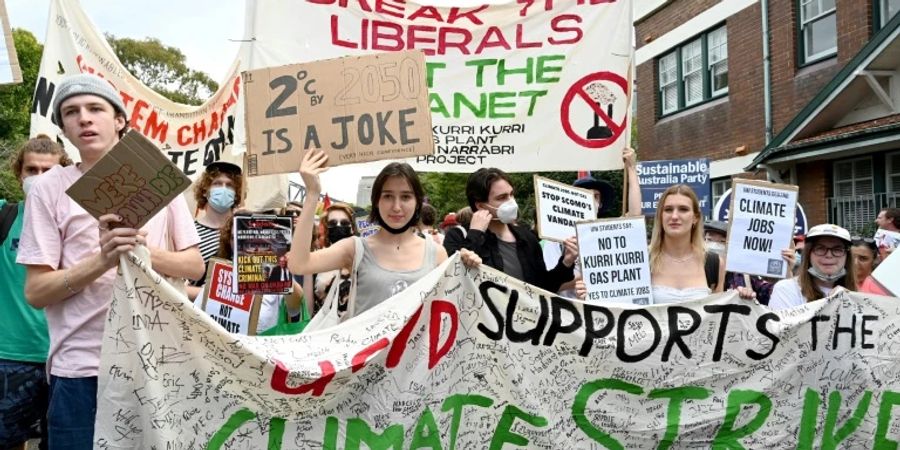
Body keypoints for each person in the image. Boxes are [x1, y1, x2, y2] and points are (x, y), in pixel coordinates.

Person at [16, 74, 204, 448]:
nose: (84, 118)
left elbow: (195, 266)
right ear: (65, 129)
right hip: (81, 370)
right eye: (71, 112)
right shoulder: (48, 188)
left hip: (158, 361)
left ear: (119, 119)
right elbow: (37, 292)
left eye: (95, 108)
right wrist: (103, 260)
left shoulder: (158, 179)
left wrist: (141, 252)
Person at [289, 150, 465, 317]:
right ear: (376, 201)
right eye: (388, 196)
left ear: (417, 202)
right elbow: (299, 264)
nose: (396, 207)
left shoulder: (436, 253)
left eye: (405, 197)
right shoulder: (356, 248)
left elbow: (451, 306)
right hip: (368, 348)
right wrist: (312, 193)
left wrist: (470, 266)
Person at [0, 136, 71, 450]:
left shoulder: (81, 224)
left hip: (68, 359)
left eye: (49, 171)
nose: (39, 179)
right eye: (32, 170)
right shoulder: (5, 216)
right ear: (19, 175)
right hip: (11, 357)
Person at [543, 147, 642, 297]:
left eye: (595, 196)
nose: (590, 200)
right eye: (584, 195)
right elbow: (549, 285)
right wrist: (591, 276)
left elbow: (634, 215)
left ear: (600, 203)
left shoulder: (605, 231)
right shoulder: (556, 238)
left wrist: (632, 169)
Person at [459, 167, 576, 293]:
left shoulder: (527, 238)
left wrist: (566, 262)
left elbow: (544, 288)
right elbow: (462, 280)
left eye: (511, 194)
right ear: (481, 206)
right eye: (502, 197)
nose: (511, 201)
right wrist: (476, 234)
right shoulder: (465, 237)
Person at [186, 161, 244, 301]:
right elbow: (178, 286)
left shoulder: (243, 230)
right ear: (205, 191)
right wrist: (217, 295)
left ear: (236, 194)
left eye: (229, 185)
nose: (223, 189)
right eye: (217, 183)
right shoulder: (189, 232)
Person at [703, 220, 794, 305]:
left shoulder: (744, 278)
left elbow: (775, 293)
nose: (715, 245)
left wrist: (787, 270)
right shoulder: (694, 272)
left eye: (722, 242)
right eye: (709, 240)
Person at [768, 224, 858, 310]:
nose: (829, 255)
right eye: (820, 248)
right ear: (808, 254)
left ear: (847, 256)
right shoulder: (786, 290)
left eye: (837, 250)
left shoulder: (856, 295)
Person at [313, 202, 358, 316]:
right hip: (325, 326)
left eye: (344, 223)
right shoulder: (316, 258)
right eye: (333, 223)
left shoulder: (364, 257)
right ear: (327, 228)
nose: (338, 226)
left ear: (352, 228)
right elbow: (309, 306)